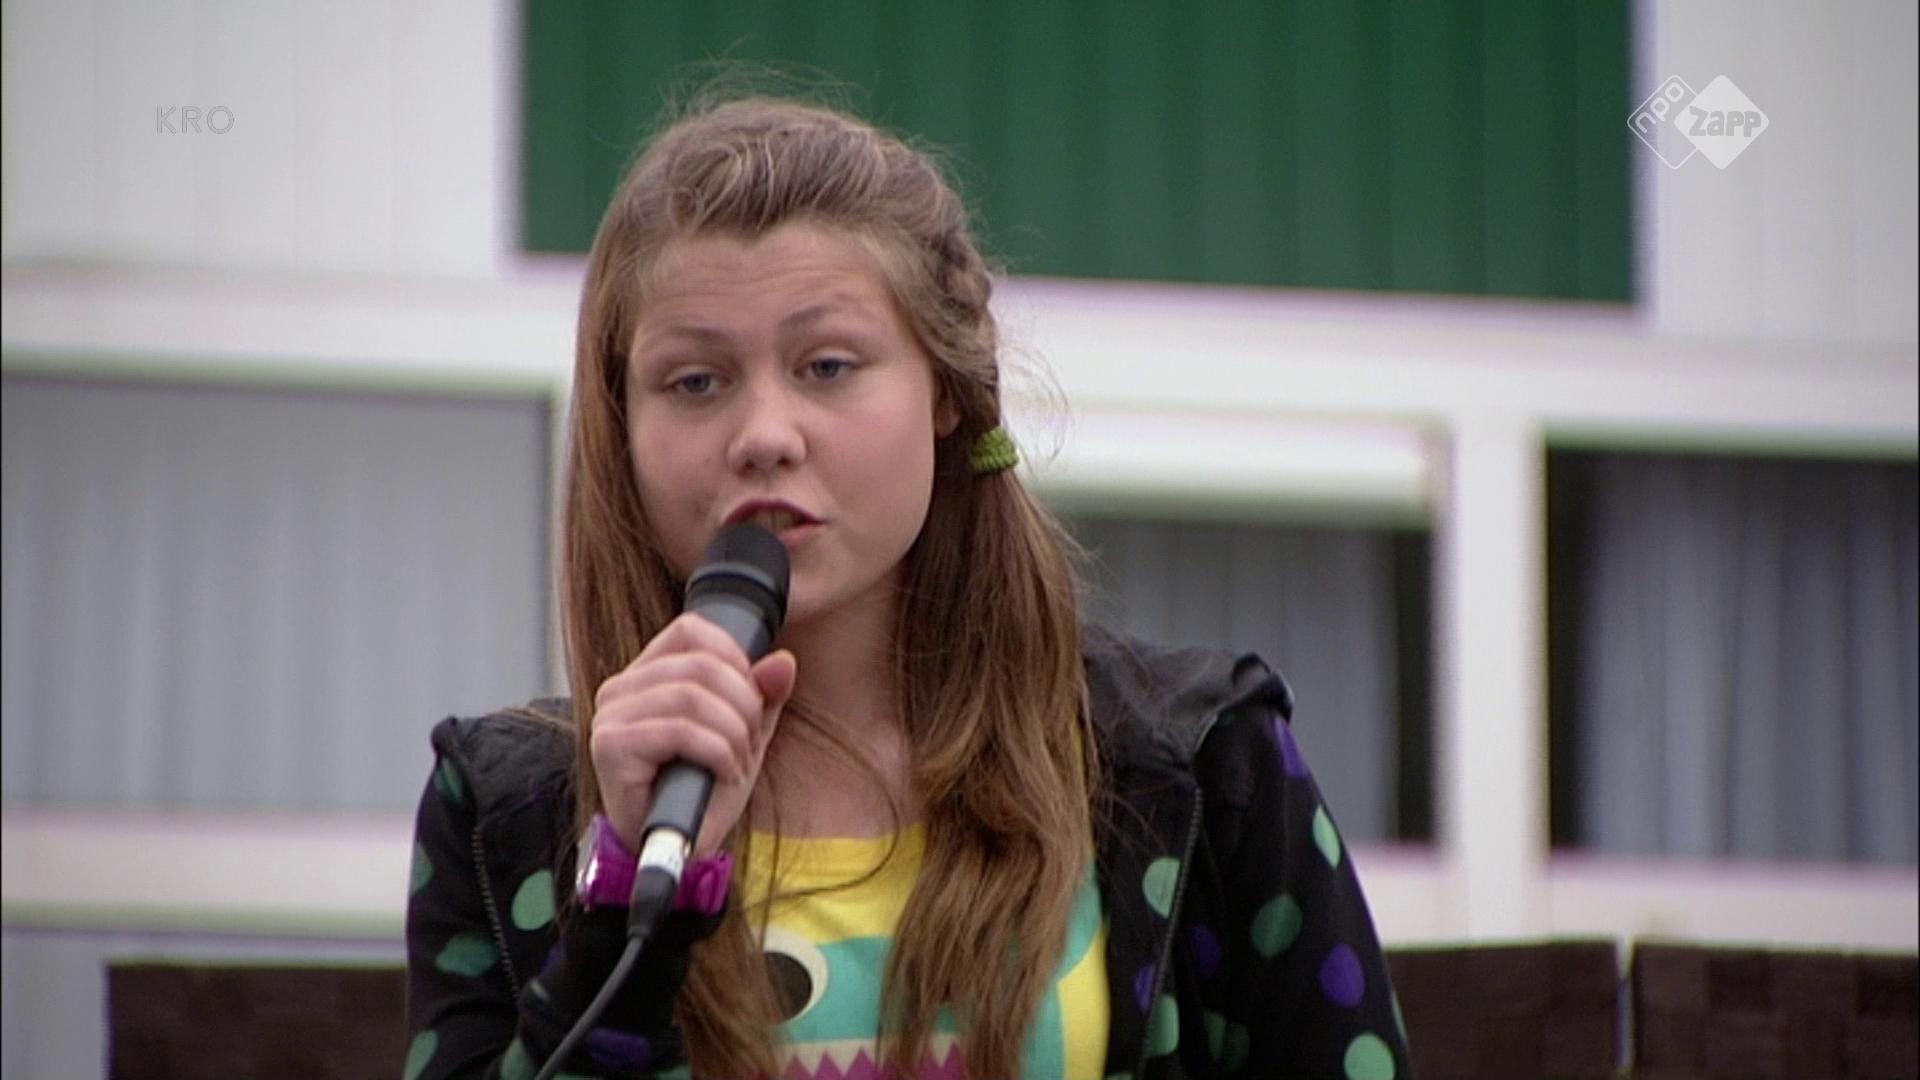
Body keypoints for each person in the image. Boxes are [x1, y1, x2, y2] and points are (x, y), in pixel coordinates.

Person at [403, 91, 1413, 1080]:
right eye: (695, 382)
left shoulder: (1199, 764)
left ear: (947, 393)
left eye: (828, 366)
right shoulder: (504, 813)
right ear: (621, 426)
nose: (764, 435)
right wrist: (628, 890)